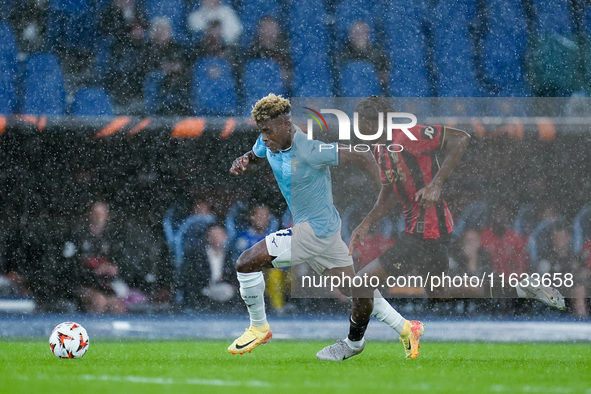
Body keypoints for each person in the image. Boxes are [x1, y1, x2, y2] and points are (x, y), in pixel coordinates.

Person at [317, 96, 565, 361]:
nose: (357, 128)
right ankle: (520, 287)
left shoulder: (409, 135)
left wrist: (436, 183)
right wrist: (367, 222)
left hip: (426, 228)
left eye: (361, 122)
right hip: (423, 228)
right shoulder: (381, 148)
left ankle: (352, 343)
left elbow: (461, 138)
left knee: (362, 283)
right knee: (440, 292)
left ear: (375, 122)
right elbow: (390, 191)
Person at [227, 93, 414, 356]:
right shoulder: (268, 142)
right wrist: (244, 161)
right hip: (325, 230)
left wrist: (387, 187)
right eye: (261, 131)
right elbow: (255, 157)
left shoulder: (310, 150)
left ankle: (259, 328)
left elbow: (361, 156)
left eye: (268, 131)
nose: (264, 137)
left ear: (285, 124)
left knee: (245, 262)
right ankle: (407, 328)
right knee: (354, 289)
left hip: (312, 231)